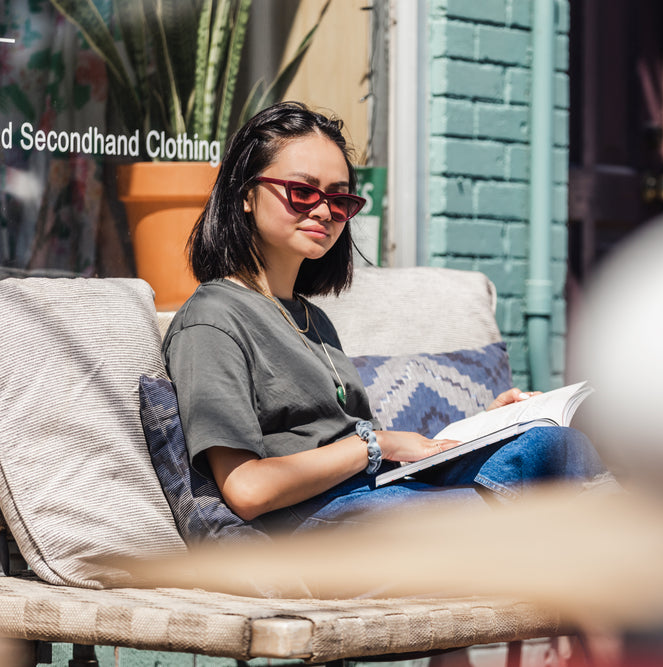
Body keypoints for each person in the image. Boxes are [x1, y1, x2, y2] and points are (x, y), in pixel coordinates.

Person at [163, 101, 611, 534]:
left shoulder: (312, 319)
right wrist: (375, 445)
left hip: (380, 494)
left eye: (339, 200)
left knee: (551, 444)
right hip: (321, 520)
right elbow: (246, 488)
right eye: (303, 192)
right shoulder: (212, 319)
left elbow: (374, 452)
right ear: (245, 195)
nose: (323, 210)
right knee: (548, 505)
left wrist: (485, 426)